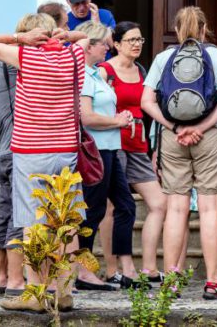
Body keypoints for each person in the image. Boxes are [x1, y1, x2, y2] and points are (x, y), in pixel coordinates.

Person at [0, 14, 89, 312]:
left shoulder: (25, 56)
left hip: (30, 150)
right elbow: (86, 38)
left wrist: (20, 39)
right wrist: (66, 36)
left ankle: (37, 294)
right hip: (65, 150)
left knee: (33, 222)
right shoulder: (74, 57)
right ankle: (64, 292)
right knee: (66, 223)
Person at [141, 6, 217, 300]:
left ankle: (171, 280)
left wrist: (174, 126)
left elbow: (147, 101)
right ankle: (212, 282)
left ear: (177, 29)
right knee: (210, 209)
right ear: (205, 29)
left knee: (176, 209)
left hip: (172, 137)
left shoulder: (163, 58)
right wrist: (205, 126)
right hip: (213, 136)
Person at [0, 16, 59, 298]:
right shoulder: (25, 63)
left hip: (5, 149)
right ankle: (17, 281)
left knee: (5, 213)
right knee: (23, 218)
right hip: (24, 149)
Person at [97, 22, 167, 284]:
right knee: (111, 206)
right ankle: (113, 269)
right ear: (116, 44)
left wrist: (155, 146)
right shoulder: (105, 71)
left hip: (138, 145)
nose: (137, 44)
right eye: (131, 40)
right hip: (113, 144)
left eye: (140, 39)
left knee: (159, 203)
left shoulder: (141, 70)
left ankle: (148, 267)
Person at [75, 21, 139, 291]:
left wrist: (120, 119)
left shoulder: (95, 74)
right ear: (90, 47)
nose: (108, 48)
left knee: (126, 206)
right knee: (93, 210)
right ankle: (83, 271)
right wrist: (117, 121)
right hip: (97, 151)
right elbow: (86, 117)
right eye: (104, 44)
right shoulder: (85, 77)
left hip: (110, 150)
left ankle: (128, 270)